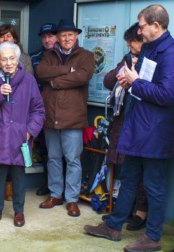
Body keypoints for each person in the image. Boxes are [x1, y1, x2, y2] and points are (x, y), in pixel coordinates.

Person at [84, 5, 174, 252]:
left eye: (141, 25)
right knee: (128, 178)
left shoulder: (170, 53)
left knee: (154, 186)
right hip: (137, 128)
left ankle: (153, 237)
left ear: (156, 26)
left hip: (155, 133)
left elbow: (167, 95)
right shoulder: (148, 48)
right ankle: (113, 226)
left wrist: (136, 82)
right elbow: (140, 83)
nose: (138, 30)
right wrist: (127, 81)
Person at [0, 42, 45, 227]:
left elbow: (38, 110)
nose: (9, 62)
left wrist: (30, 131)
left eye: (12, 58)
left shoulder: (28, 80)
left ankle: (19, 211)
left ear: (18, 59)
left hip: (20, 136)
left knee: (19, 174)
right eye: (4, 59)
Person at [36, 18, 94, 217]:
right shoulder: (48, 55)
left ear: (76, 36)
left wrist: (55, 82)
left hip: (73, 117)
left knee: (72, 160)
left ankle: (71, 199)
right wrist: (67, 70)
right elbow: (42, 72)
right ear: (58, 38)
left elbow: (83, 77)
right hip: (50, 115)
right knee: (53, 158)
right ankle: (55, 194)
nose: (67, 38)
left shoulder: (86, 56)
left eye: (70, 34)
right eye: (63, 35)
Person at [102, 22, 148, 232]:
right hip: (124, 120)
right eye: (128, 42)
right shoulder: (127, 58)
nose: (129, 45)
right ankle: (122, 211)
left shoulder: (154, 59)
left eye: (133, 41)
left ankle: (141, 212)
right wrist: (123, 71)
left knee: (144, 172)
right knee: (126, 169)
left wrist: (135, 77)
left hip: (144, 122)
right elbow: (108, 81)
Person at [0, 24, 33, 201]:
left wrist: (30, 130)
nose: (6, 39)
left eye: (9, 36)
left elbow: (36, 105)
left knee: (18, 169)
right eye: (2, 36)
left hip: (19, 121)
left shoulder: (25, 64)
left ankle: (17, 207)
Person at [30, 22, 57, 196]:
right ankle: (47, 184)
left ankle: (60, 188)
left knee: (61, 151)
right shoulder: (35, 57)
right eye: (44, 37)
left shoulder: (65, 56)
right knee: (45, 149)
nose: (47, 40)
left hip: (62, 108)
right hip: (40, 109)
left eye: (51, 36)